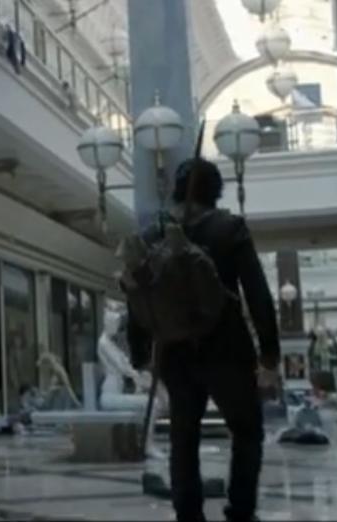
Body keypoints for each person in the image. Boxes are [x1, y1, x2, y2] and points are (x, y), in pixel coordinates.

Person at [127, 158, 280, 522]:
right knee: (246, 431)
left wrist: (139, 352)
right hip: (228, 349)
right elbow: (257, 293)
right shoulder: (230, 229)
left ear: (178, 190)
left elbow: (137, 295)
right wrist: (269, 355)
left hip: (175, 352)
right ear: (216, 191)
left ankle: (188, 514)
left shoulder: (153, 234)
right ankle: (240, 510)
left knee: (184, 438)